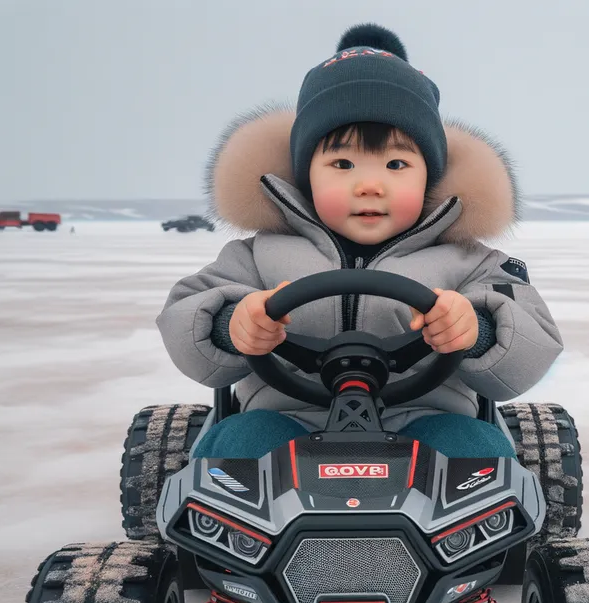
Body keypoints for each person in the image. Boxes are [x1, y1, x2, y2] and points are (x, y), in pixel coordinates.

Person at [157, 23, 563, 459]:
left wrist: (477, 330)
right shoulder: (259, 254)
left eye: (395, 164)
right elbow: (185, 314)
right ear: (304, 174)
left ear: (432, 175)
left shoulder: (469, 260)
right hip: (286, 419)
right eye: (343, 163)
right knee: (238, 447)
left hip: (428, 420)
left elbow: (532, 341)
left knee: (474, 451)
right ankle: (237, 525)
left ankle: (471, 524)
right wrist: (231, 324)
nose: (370, 185)